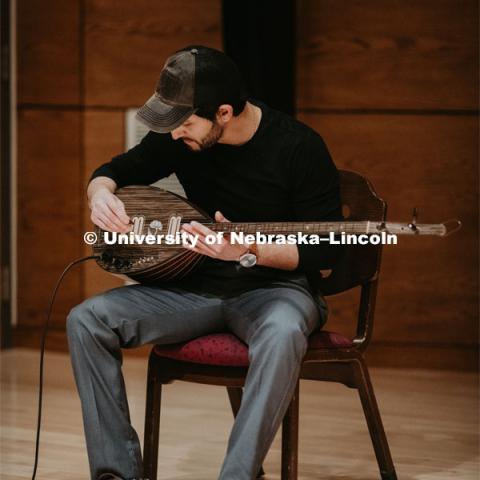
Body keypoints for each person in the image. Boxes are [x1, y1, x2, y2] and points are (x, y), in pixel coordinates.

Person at [67, 45, 343, 480]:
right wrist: (99, 193)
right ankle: (116, 473)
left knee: (285, 331)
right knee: (87, 320)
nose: (176, 134)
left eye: (186, 124)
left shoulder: (299, 147)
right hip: (194, 288)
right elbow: (116, 168)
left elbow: (327, 251)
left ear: (224, 113)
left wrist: (247, 250)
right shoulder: (183, 138)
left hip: (276, 290)